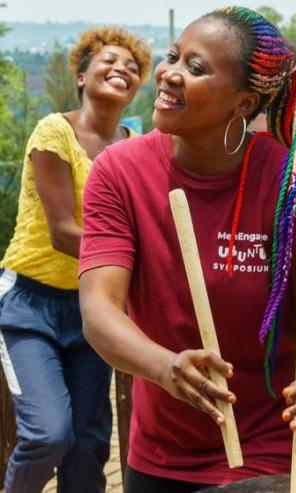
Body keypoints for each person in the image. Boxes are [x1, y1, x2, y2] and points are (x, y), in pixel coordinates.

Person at [78, 7, 296, 491]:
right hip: (167, 441)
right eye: (172, 57)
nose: (168, 74)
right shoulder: (119, 173)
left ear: (243, 102)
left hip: (278, 439)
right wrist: (164, 366)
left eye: (196, 67)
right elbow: (99, 310)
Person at [0, 27, 150, 493]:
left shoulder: (132, 145)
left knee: (87, 446)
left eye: (132, 67)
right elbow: (65, 233)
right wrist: (139, 261)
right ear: (82, 76)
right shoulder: (54, 131)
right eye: (109, 61)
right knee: (50, 434)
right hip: (30, 306)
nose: (121, 69)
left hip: (91, 310)